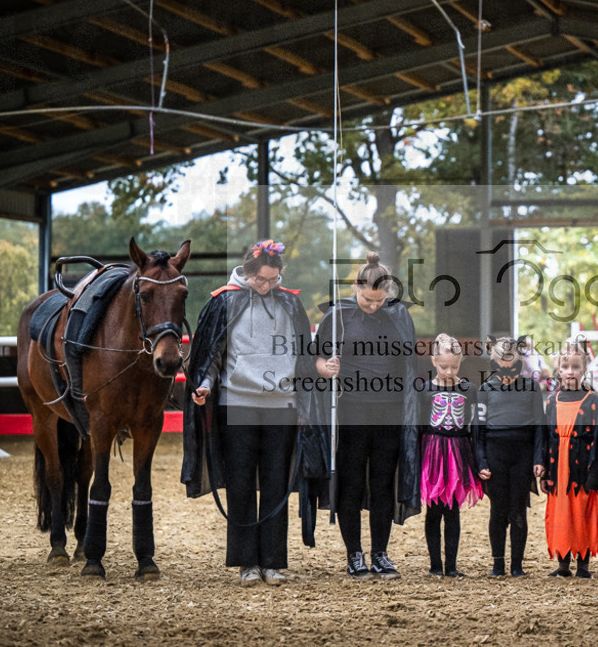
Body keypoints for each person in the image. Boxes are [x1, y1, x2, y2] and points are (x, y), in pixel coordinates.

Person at [185, 240, 313, 587]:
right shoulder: (224, 301)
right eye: (261, 280)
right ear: (249, 271)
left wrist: (303, 401)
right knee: (240, 484)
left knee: (276, 484)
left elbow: (303, 356)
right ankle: (246, 563)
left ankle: (272, 562)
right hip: (237, 404)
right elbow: (211, 354)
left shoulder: (290, 302)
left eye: (273, 279)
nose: (267, 286)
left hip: (281, 405)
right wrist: (205, 385)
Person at [314, 252, 419, 579]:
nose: (372, 305)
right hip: (350, 410)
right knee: (351, 482)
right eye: (366, 298)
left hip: (389, 411)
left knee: (383, 483)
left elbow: (409, 361)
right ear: (356, 287)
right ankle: (354, 554)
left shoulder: (398, 315)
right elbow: (314, 359)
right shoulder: (338, 316)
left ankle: (380, 553)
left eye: (378, 299)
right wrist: (326, 368)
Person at [476, 336, 546, 577]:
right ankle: (498, 564)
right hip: (495, 455)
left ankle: (517, 565)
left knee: (518, 509)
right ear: (493, 363)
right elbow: (478, 430)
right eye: (500, 367)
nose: (507, 373)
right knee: (498, 510)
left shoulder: (531, 388)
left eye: (513, 366)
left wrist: (539, 458)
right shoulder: (485, 390)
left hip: (522, 454)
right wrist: (481, 461)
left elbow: (540, 426)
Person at [420, 334, 483, 577]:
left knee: (453, 510)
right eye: (443, 366)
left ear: (461, 362)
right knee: (434, 510)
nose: (449, 371)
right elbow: (418, 426)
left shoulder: (468, 389)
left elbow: (474, 425)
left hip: (458, 452)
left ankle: (452, 566)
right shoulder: (425, 390)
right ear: (433, 360)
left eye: (454, 366)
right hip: (433, 452)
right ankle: (435, 565)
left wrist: (478, 461)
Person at [542, 341, 598, 578]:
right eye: (566, 366)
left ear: (584, 370)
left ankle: (583, 565)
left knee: (581, 513)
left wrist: (594, 473)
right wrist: (547, 473)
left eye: (576, 367)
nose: (570, 371)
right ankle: (562, 565)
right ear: (559, 369)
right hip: (558, 468)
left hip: (581, 469)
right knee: (561, 514)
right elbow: (547, 437)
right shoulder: (552, 401)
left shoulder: (592, 401)